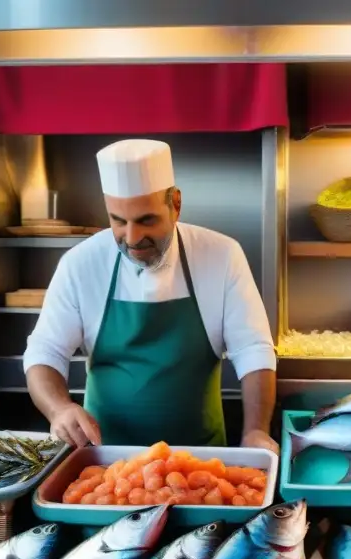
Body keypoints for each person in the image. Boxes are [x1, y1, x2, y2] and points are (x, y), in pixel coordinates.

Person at [24, 139, 278, 452]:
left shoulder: (222, 255)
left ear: (176, 204)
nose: (132, 238)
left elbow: (253, 349)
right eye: (118, 220)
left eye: (146, 220)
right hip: (105, 462)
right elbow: (45, 351)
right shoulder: (81, 263)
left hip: (199, 462)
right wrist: (58, 408)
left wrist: (256, 430)